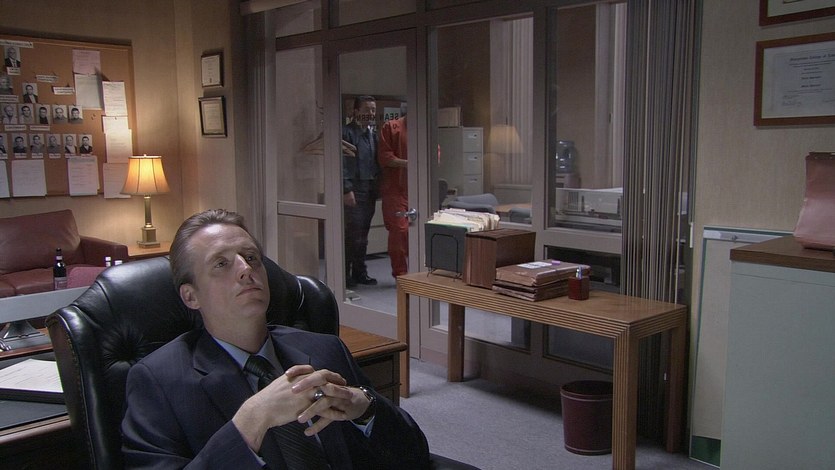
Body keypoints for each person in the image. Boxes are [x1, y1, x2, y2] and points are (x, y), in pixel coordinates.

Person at [121, 209, 430, 469]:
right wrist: (250, 423)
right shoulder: (158, 382)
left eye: (251, 257)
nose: (246, 269)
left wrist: (366, 408)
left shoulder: (325, 349)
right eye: (221, 263)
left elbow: (414, 454)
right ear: (191, 296)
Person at [341, 95, 380, 287]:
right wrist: (346, 189)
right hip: (354, 190)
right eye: (366, 110)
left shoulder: (373, 134)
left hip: (370, 189)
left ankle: (360, 272)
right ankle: (344, 274)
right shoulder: (347, 133)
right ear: (356, 111)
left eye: (373, 110)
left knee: (363, 235)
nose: (370, 113)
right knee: (352, 235)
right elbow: (342, 163)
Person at [377, 111, 409, 278]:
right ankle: (400, 274)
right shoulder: (392, 127)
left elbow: (434, 156)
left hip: (418, 189)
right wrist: (410, 163)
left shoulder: (425, 129)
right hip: (395, 191)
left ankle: (419, 272)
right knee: (399, 230)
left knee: (418, 232)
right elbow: (385, 157)